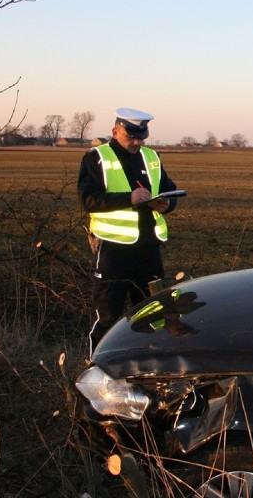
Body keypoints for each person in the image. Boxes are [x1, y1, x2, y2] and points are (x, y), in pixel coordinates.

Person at [77, 107, 179, 352]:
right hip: (114, 249)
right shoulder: (97, 157)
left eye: (141, 137)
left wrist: (167, 204)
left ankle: (149, 368)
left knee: (153, 314)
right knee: (108, 318)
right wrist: (129, 199)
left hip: (149, 248)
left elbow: (169, 188)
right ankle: (97, 371)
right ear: (115, 131)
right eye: (131, 136)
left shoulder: (151, 157)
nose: (136, 142)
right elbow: (88, 200)